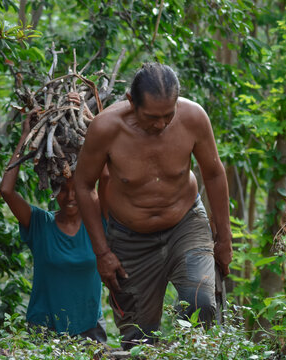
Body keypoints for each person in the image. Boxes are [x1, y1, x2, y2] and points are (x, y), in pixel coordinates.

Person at [74, 62, 233, 349]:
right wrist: (102, 252)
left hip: (185, 223)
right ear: (131, 101)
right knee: (138, 336)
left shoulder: (193, 118)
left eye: (167, 115)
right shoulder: (106, 129)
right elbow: (84, 186)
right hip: (129, 237)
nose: (160, 124)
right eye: (151, 117)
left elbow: (213, 172)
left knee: (201, 303)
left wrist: (224, 236)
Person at [0, 116, 107, 343]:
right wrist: (25, 136)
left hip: (89, 328)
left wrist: (91, 125)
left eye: (76, 189)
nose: (69, 197)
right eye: (62, 189)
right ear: (52, 189)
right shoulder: (40, 224)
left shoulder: (97, 223)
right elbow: (7, 191)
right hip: (44, 331)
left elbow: (106, 175)